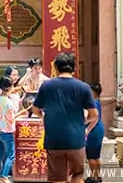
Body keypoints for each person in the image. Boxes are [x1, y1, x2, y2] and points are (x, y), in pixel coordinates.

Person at [33, 52, 98, 183]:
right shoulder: (83, 87)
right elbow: (94, 114)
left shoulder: (46, 86)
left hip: (54, 140)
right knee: (77, 175)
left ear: (56, 68)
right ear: (74, 69)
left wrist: (44, 117)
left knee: (57, 178)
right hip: (76, 140)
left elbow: (35, 110)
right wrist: (82, 122)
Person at [0, 77, 29, 183]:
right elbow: (11, 119)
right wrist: (21, 113)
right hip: (7, 132)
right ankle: (4, 176)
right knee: (11, 155)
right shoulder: (9, 103)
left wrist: (18, 88)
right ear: (8, 88)